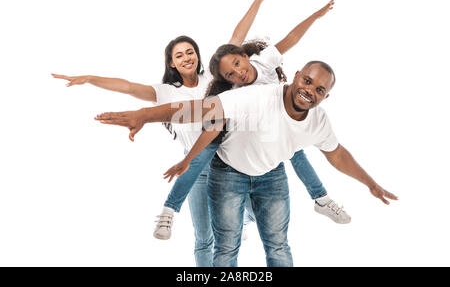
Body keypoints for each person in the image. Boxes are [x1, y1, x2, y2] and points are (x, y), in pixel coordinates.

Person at [52, 0, 274, 267]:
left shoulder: (213, 77)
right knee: (204, 238)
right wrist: (90, 79)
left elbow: (236, 37)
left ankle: (239, 219)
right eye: (179, 55)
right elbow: (127, 86)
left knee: (255, 215)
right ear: (171, 62)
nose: (186, 57)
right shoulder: (165, 92)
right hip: (195, 166)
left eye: (190, 52)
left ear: (197, 55)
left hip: (230, 161)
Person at [94, 61, 398, 267]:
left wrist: (370, 183)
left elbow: (337, 154)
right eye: (307, 81)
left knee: (278, 244)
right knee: (226, 246)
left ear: (326, 96)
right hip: (228, 174)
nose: (310, 91)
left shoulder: (318, 120)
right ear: (296, 78)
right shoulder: (258, 98)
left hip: (271, 176)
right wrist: (145, 115)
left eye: (319, 89)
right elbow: (201, 108)